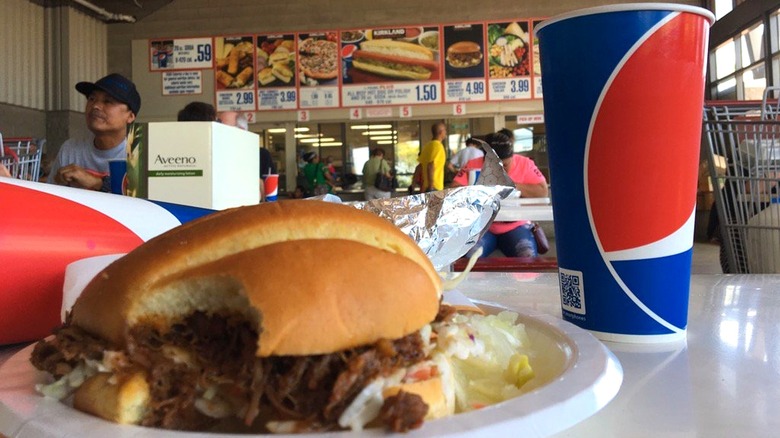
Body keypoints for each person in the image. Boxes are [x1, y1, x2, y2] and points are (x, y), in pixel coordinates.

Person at [48, 73, 140, 191]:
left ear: (130, 116)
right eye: (92, 99)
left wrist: (97, 184)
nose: (95, 106)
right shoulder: (70, 149)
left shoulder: (139, 155)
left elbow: (145, 203)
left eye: (108, 101)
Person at [467, 131, 549, 258]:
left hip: (516, 226)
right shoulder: (473, 165)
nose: (501, 171)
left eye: (505, 165)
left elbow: (542, 192)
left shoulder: (525, 164)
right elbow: (455, 187)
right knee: (470, 256)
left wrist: (511, 185)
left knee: (527, 255)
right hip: (482, 227)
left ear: (512, 158)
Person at [418, 122, 447, 192]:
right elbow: (430, 165)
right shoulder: (438, 146)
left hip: (426, 186)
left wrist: (413, 185)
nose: (446, 132)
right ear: (441, 132)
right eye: (445, 130)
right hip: (434, 187)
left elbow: (419, 167)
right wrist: (431, 186)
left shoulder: (427, 146)